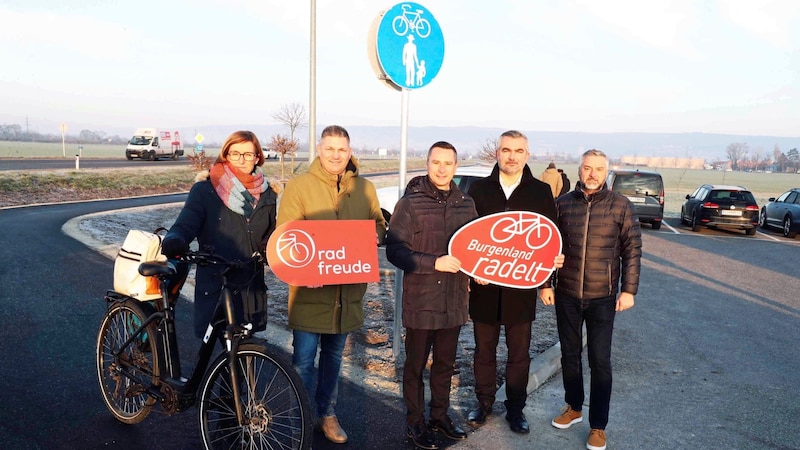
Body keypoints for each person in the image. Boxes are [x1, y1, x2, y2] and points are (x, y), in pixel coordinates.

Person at [276, 125, 386, 444]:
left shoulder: (365, 188)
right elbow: (288, 235)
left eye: (342, 149)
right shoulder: (299, 187)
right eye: (330, 148)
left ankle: (327, 414)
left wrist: (375, 235)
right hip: (310, 294)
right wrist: (306, 268)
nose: (336, 155)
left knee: (333, 359)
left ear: (349, 152)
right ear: (319, 149)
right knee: (303, 361)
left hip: (347, 294)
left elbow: (378, 224)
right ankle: (300, 415)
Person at [541, 149, 642, 450]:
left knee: (600, 361)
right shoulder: (562, 205)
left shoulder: (621, 206)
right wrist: (545, 284)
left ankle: (598, 425)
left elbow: (632, 250)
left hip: (603, 297)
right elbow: (548, 246)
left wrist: (629, 290)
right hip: (567, 295)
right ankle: (573, 407)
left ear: (606, 172)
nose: (593, 173)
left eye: (599, 168)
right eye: (588, 168)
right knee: (569, 357)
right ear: (580, 170)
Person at [466, 130, 559, 435]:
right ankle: (483, 404)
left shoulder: (541, 192)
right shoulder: (479, 189)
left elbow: (549, 239)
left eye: (518, 151)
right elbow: (468, 237)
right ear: (498, 153)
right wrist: (469, 271)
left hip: (521, 290)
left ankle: (516, 409)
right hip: (484, 288)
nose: (512, 156)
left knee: (519, 355)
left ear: (527, 155)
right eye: (506, 150)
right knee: (483, 352)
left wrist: (547, 280)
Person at [386, 141, 477, 450]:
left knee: (444, 365)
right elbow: (395, 250)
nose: (441, 168)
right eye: (436, 162)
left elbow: (475, 249)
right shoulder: (410, 203)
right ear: (427, 163)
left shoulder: (467, 203)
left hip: (453, 302)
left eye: (448, 163)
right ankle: (415, 422)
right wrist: (433, 263)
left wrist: (481, 273)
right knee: (414, 367)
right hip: (422, 301)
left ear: (455, 166)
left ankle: (439, 416)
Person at [161, 130, 280, 338]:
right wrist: (175, 239)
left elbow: (272, 235)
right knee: (218, 351)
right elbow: (186, 223)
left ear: (258, 157)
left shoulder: (269, 194)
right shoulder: (205, 190)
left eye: (248, 154)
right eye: (235, 153)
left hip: (249, 284)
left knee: (244, 353)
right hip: (217, 281)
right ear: (226, 155)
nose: (241, 160)